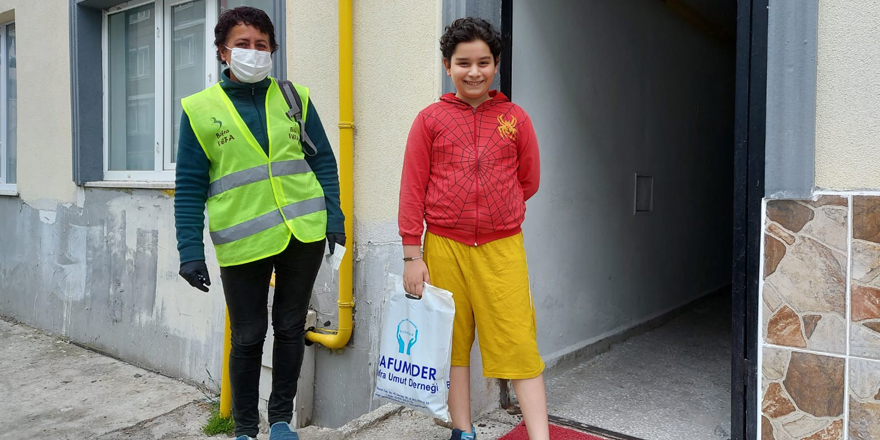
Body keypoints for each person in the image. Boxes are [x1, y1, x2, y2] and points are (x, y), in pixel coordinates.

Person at [174, 7, 344, 440]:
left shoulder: (294, 97)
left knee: (291, 327)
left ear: (273, 50)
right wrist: (189, 250)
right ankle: (245, 429)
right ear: (222, 52)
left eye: (261, 45)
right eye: (242, 45)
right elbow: (191, 185)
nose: (253, 53)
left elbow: (321, 160)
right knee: (249, 335)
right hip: (243, 242)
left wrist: (335, 218)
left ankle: (281, 420)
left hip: (302, 233)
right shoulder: (200, 110)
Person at [398, 17, 550, 440]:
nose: (474, 71)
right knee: (453, 343)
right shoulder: (429, 120)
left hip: (503, 249)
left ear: (496, 65)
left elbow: (529, 179)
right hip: (444, 247)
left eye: (484, 62)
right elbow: (412, 190)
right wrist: (413, 256)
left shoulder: (516, 118)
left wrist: (501, 206)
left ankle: (540, 434)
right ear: (448, 66)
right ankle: (463, 430)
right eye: (463, 62)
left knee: (519, 340)